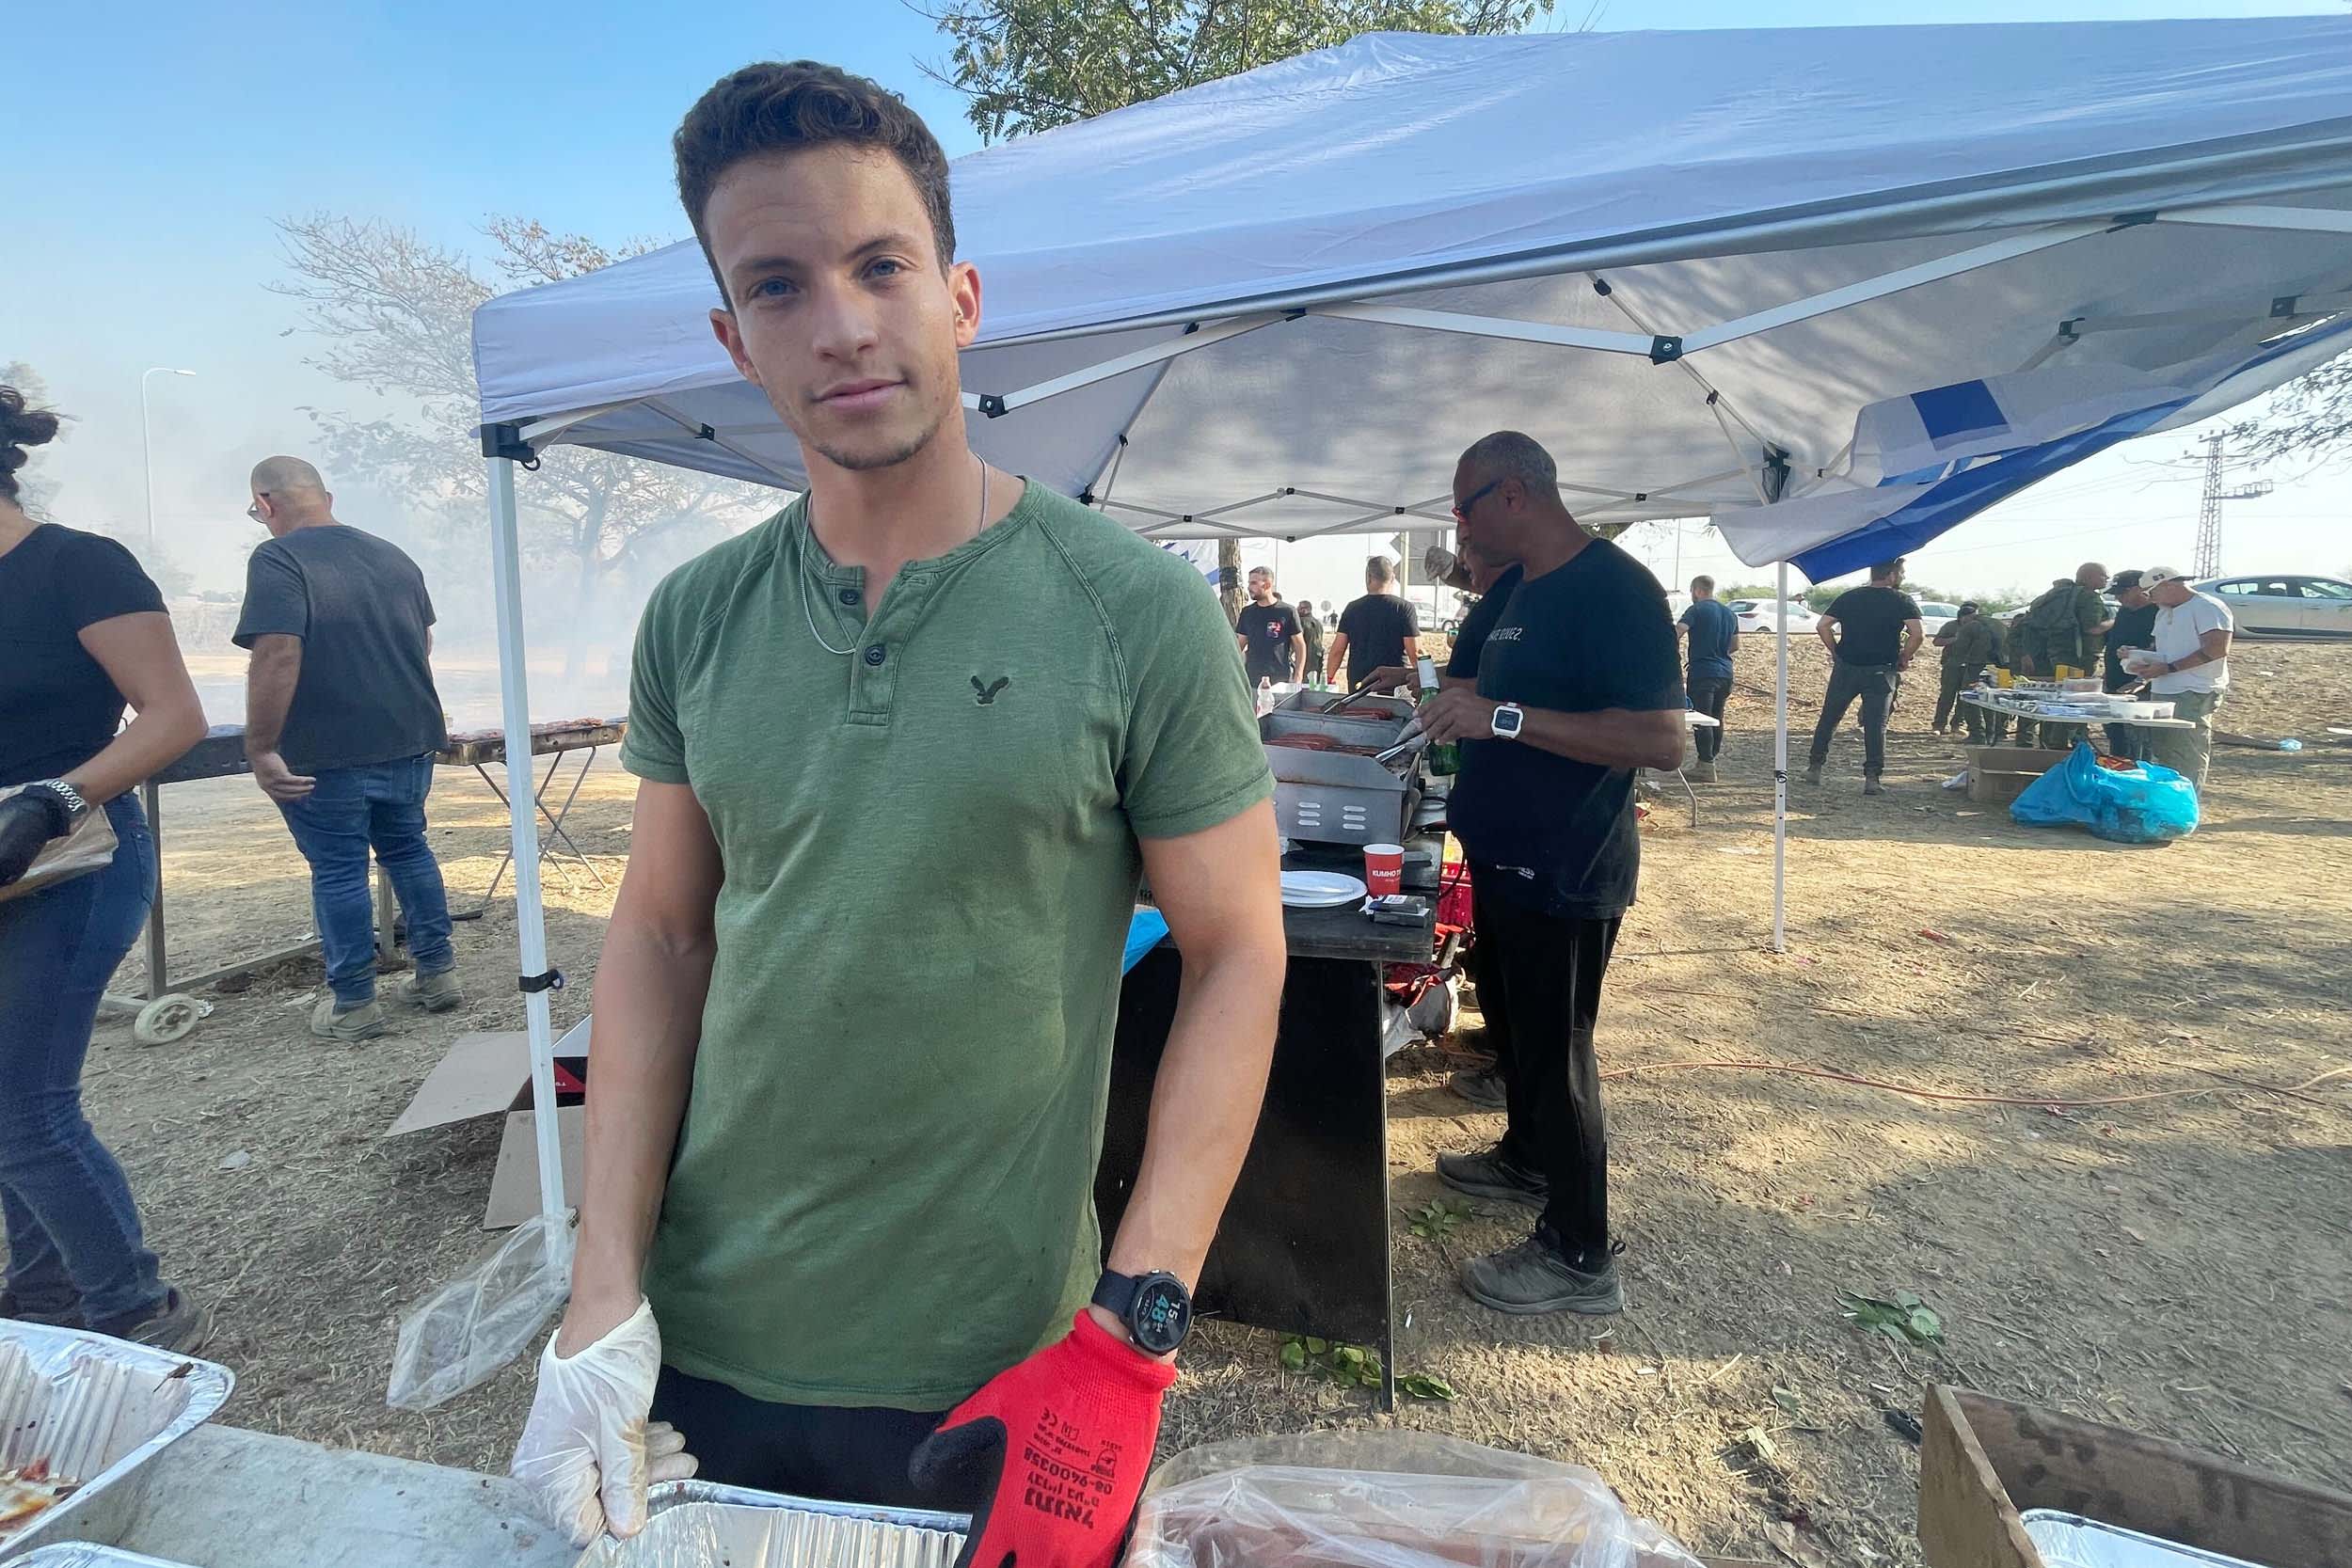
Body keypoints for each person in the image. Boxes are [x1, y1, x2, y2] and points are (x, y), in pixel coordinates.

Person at [507, 61, 1286, 1565]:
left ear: (961, 296)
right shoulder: (697, 616)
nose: (843, 324)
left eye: (881, 265)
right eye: (779, 286)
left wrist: (1135, 1325)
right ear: (732, 337)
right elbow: (662, 938)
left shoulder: (1132, 610)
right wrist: (603, 1288)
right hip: (702, 1337)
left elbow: (1240, 948)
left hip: (994, 1363)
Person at [1409, 431, 1683, 1318]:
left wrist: (1501, 716)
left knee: (1561, 1051)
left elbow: (1663, 741)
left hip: (1569, 863)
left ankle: (1579, 1251)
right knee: (1520, 1033)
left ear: (1514, 493)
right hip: (1505, 852)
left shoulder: (1615, 588)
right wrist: (1459, 705)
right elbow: (1485, 697)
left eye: (1464, 508)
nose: (1460, 527)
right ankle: (1527, 1157)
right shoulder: (1519, 589)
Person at [0, 385, 211, 1350]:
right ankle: (43, 1293)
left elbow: (174, 716)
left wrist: (53, 797)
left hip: (76, 857)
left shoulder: (78, 565)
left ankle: (136, 1310)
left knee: (23, 1107)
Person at [233, 457, 461, 1042]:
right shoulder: (393, 555)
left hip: (328, 749)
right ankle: (438, 975)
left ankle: (355, 1004)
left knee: (338, 870)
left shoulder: (277, 558)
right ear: (327, 497)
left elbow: (278, 652)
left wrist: (261, 746)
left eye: (257, 511)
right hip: (408, 736)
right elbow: (422, 640)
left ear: (267, 503)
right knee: (408, 850)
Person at [1804, 559, 1922, 795]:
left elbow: (1823, 626)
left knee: (1830, 717)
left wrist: (1835, 651)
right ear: (1891, 574)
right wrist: (1905, 656)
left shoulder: (1850, 597)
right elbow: (1917, 634)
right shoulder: (1902, 600)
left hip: (1847, 667)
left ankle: (1815, 767)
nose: (1903, 577)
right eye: (1901, 572)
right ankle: (1872, 779)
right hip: (1881, 670)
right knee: (1876, 725)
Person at [2131, 567, 2232, 794]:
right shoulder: (2164, 612)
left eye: (2150, 592)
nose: (2150, 599)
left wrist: (2169, 668)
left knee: (2186, 752)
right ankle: (2169, 800)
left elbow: (2217, 648)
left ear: (2167, 584)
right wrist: (2138, 657)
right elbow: (2162, 648)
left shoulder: (2207, 606)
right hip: (2164, 688)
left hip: (2194, 689)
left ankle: (2187, 800)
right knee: (2165, 750)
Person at [2022, 562, 2113, 747]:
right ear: (2090, 577)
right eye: (2104, 575)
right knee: (2077, 700)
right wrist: (2114, 621)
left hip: (2053, 653)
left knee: (2056, 697)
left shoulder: (2059, 595)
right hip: (2080, 656)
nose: (2107, 579)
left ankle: (2049, 742)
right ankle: (2066, 742)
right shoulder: (2089, 597)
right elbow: (2092, 628)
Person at [1676, 575, 1738, 782]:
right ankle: (1710, 760)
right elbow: (1735, 645)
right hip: (1725, 671)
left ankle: (1706, 764)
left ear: (1696, 590)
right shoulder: (1730, 613)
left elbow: (1678, 631)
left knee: (1701, 718)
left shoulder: (1696, 610)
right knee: (1716, 717)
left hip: (1703, 671)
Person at [1327, 555, 1420, 690]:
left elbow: (1338, 650)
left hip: (1359, 685)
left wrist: (1330, 678)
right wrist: (1428, 682)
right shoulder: (1404, 608)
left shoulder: (1352, 608)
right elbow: (1415, 653)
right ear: (1392, 578)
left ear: (1368, 578)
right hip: (1393, 684)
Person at [2100, 569, 2158, 761]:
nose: (2118, 598)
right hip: (2115, 684)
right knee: (2116, 737)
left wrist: (2140, 679)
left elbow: (2159, 650)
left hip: (2141, 687)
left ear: (2138, 589)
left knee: (2139, 742)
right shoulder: (2124, 612)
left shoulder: (2158, 613)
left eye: (2122, 593)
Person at [1932, 602, 1998, 739]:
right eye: (1970, 617)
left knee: (1965, 697)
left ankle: (1957, 725)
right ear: (1962, 617)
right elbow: (1937, 642)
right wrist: (1955, 639)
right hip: (1952, 665)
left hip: (1971, 666)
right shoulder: (1951, 626)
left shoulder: (1980, 627)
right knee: (1947, 696)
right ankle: (1939, 725)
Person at [1233, 565, 1305, 688]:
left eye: (1254, 583)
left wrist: (1298, 676)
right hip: (1252, 681)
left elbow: (1300, 645)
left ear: (1267, 585)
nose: (1249, 587)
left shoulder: (1287, 611)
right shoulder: (1247, 612)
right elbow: (1239, 645)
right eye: (1249, 583)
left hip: (1280, 680)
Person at [1297, 598, 1327, 682]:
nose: (1297, 610)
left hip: (1307, 658)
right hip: (1318, 657)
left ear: (1305, 610)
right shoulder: (1318, 623)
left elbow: (1297, 640)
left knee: (1305, 683)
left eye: (1299, 608)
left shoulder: (1302, 622)